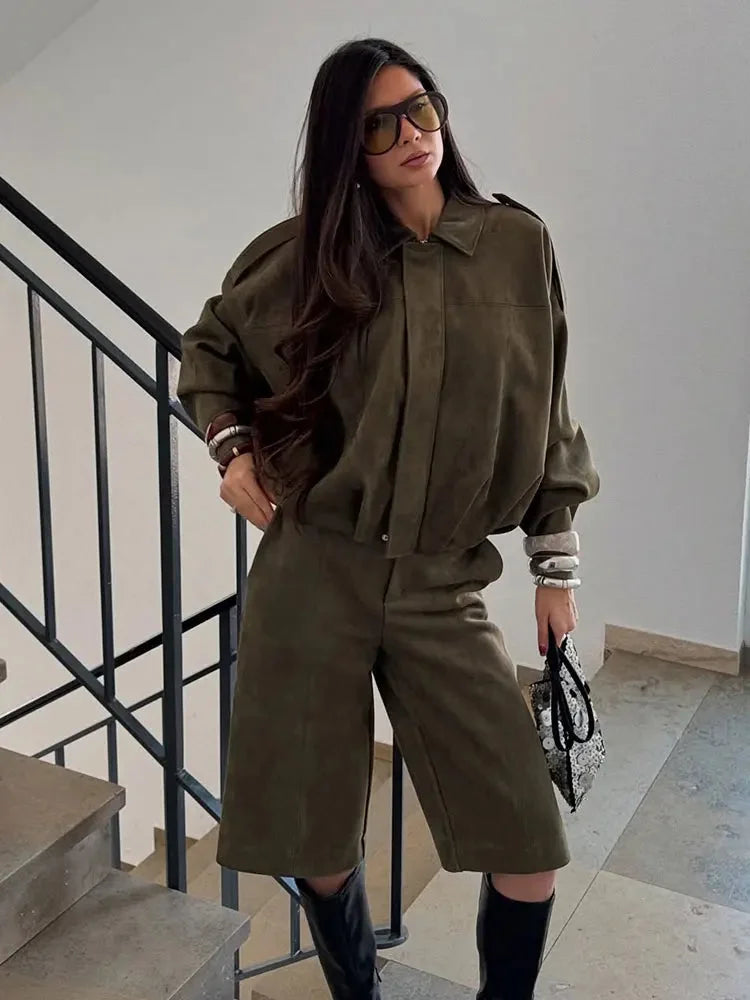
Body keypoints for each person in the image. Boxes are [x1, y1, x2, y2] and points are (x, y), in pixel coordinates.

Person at [177, 36, 599, 1000]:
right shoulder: (301, 259)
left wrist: (556, 566)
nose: (412, 135)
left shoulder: (515, 245)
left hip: (443, 577)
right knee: (315, 841)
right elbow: (209, 349)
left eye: (422, 109)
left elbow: (551, 409)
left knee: (526, 841)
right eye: (379, 126)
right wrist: (231, 447)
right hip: (313, 574)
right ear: (347, 149)